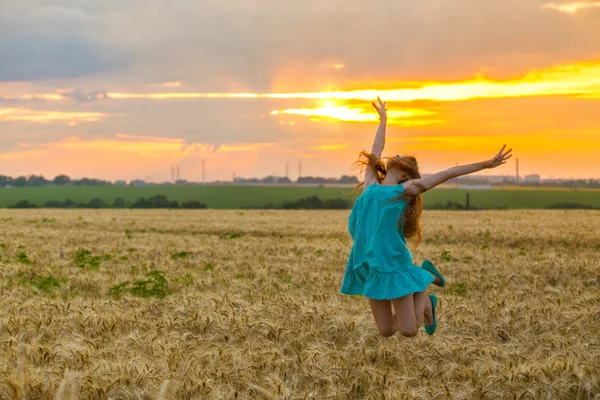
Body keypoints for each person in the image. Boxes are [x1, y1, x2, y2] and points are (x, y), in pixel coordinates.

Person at [340, 98, 512, 337]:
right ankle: (426, 279)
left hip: (394, 265)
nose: (397, 153)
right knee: (388, 330)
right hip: (371, 265)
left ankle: (427, 292)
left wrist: (487, 164)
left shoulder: (404, 191)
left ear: (406, 175)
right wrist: (384, 120)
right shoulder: (370, 184)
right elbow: (377, 148)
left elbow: (448, 173)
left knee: (409, 331)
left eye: (405, 158)